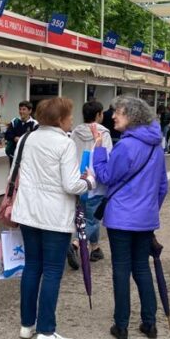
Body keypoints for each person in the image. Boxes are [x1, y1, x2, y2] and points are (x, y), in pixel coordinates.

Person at [9, 97, 94, 339]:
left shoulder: (27, 138)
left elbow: (16, 172)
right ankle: (46, 330)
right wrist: (89, 180)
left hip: (27, 212)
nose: (72, 120)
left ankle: (27, 324)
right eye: (69, 116)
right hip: (54, 216)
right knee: (53, 270)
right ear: (59, 119)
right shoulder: (64, 144)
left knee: (32, 266)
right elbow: (70, 184)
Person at [92, 96, 168, 339]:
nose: (113, 115)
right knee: (142, 268)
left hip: (121, 218)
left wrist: (99, 150)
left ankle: (121, 325)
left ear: (133, 115)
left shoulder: (125, 146)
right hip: (145, 218)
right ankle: (150, 323)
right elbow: (162, 186)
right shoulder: (156, 145)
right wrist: (149, 210)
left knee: (121, 270)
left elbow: (105, 176)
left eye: (119, 112)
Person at [70, 100, 112, 262]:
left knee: (84, 214)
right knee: (93, 218)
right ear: (98, 115)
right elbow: (107, 157)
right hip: (95, 181)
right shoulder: (103, 134)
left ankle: (95, 248)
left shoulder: (75, 132)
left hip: (78, 180)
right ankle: (75, 244)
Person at [4, 100, 38, 164]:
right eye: (20, 109)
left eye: (24, 109)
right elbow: (7, 135)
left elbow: (36, 140)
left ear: (30, 111)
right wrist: (14, 138)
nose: (21, 111)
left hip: (28, 158)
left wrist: (22, 140)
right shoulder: (14, 121)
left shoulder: (34, 124)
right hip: (14, 156)